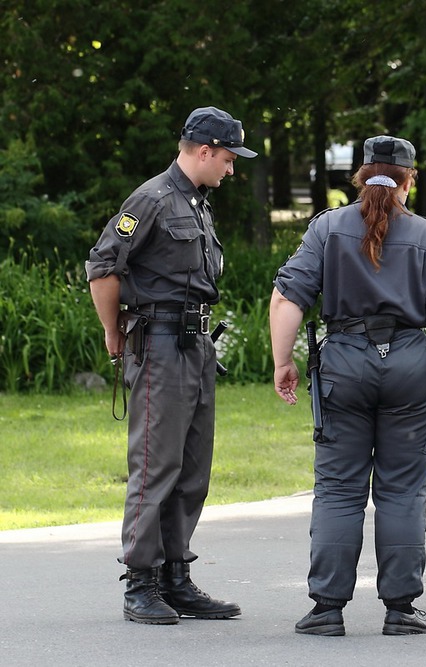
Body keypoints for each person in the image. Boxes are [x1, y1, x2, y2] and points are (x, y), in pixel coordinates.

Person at [269, 135, 426, 637]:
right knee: (402, 491)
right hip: (409, 365)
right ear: (409, 180)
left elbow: (286, 300)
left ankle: (327, 609)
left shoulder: (328, 228)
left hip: (344, 364)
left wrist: (282, 361)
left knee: (338, 490)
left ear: (360, 175)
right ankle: (400, 609)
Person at [86, 106, 257, 625]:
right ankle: (140, 582)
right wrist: (114, 332)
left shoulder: (196, 202)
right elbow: (102, 266)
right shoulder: (152, 199)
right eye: (227, 159)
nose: (230, 170)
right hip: (158, 344)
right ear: (203, 151)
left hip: (195, 344)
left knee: (192, 468)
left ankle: (174, 578)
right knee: (155, 466)